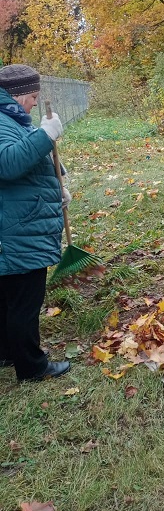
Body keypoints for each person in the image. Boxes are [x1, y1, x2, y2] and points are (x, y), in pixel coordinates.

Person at [0, 64, 71, 381]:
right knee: (24, 304)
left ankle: (7, 353)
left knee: (9, 300)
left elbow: (30, 155)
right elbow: (8, 163)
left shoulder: (11, 118)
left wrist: (60, 184)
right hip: (16, 231)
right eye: (31, 96)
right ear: (15, 95)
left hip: (18, 225)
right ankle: (32, 367)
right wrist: (45, 134)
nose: (32, 102)